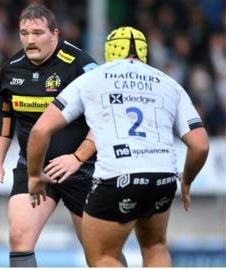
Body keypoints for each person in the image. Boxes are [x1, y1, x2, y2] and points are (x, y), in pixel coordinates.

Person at [27, 26, 209, 267]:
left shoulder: (92, 79)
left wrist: (33, 175)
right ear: (145, 51)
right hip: (163, 176)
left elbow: (40, 130)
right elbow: (201, 145)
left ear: (109, 50)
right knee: (155, 247)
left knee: (103, 257)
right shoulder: (169, 83)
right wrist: (186, 180)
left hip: (118, 176)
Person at [0, 4, 109, 267]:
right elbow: (4, 116)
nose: (30, 40)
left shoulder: (81, 66)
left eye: (37, 33)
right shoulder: (11, 69)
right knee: (19, 239)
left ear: (55, 34)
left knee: (99, 254)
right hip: (34, 168)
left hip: (83, 168)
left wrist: (77, 157)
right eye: (24, 33)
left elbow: (107, 118)